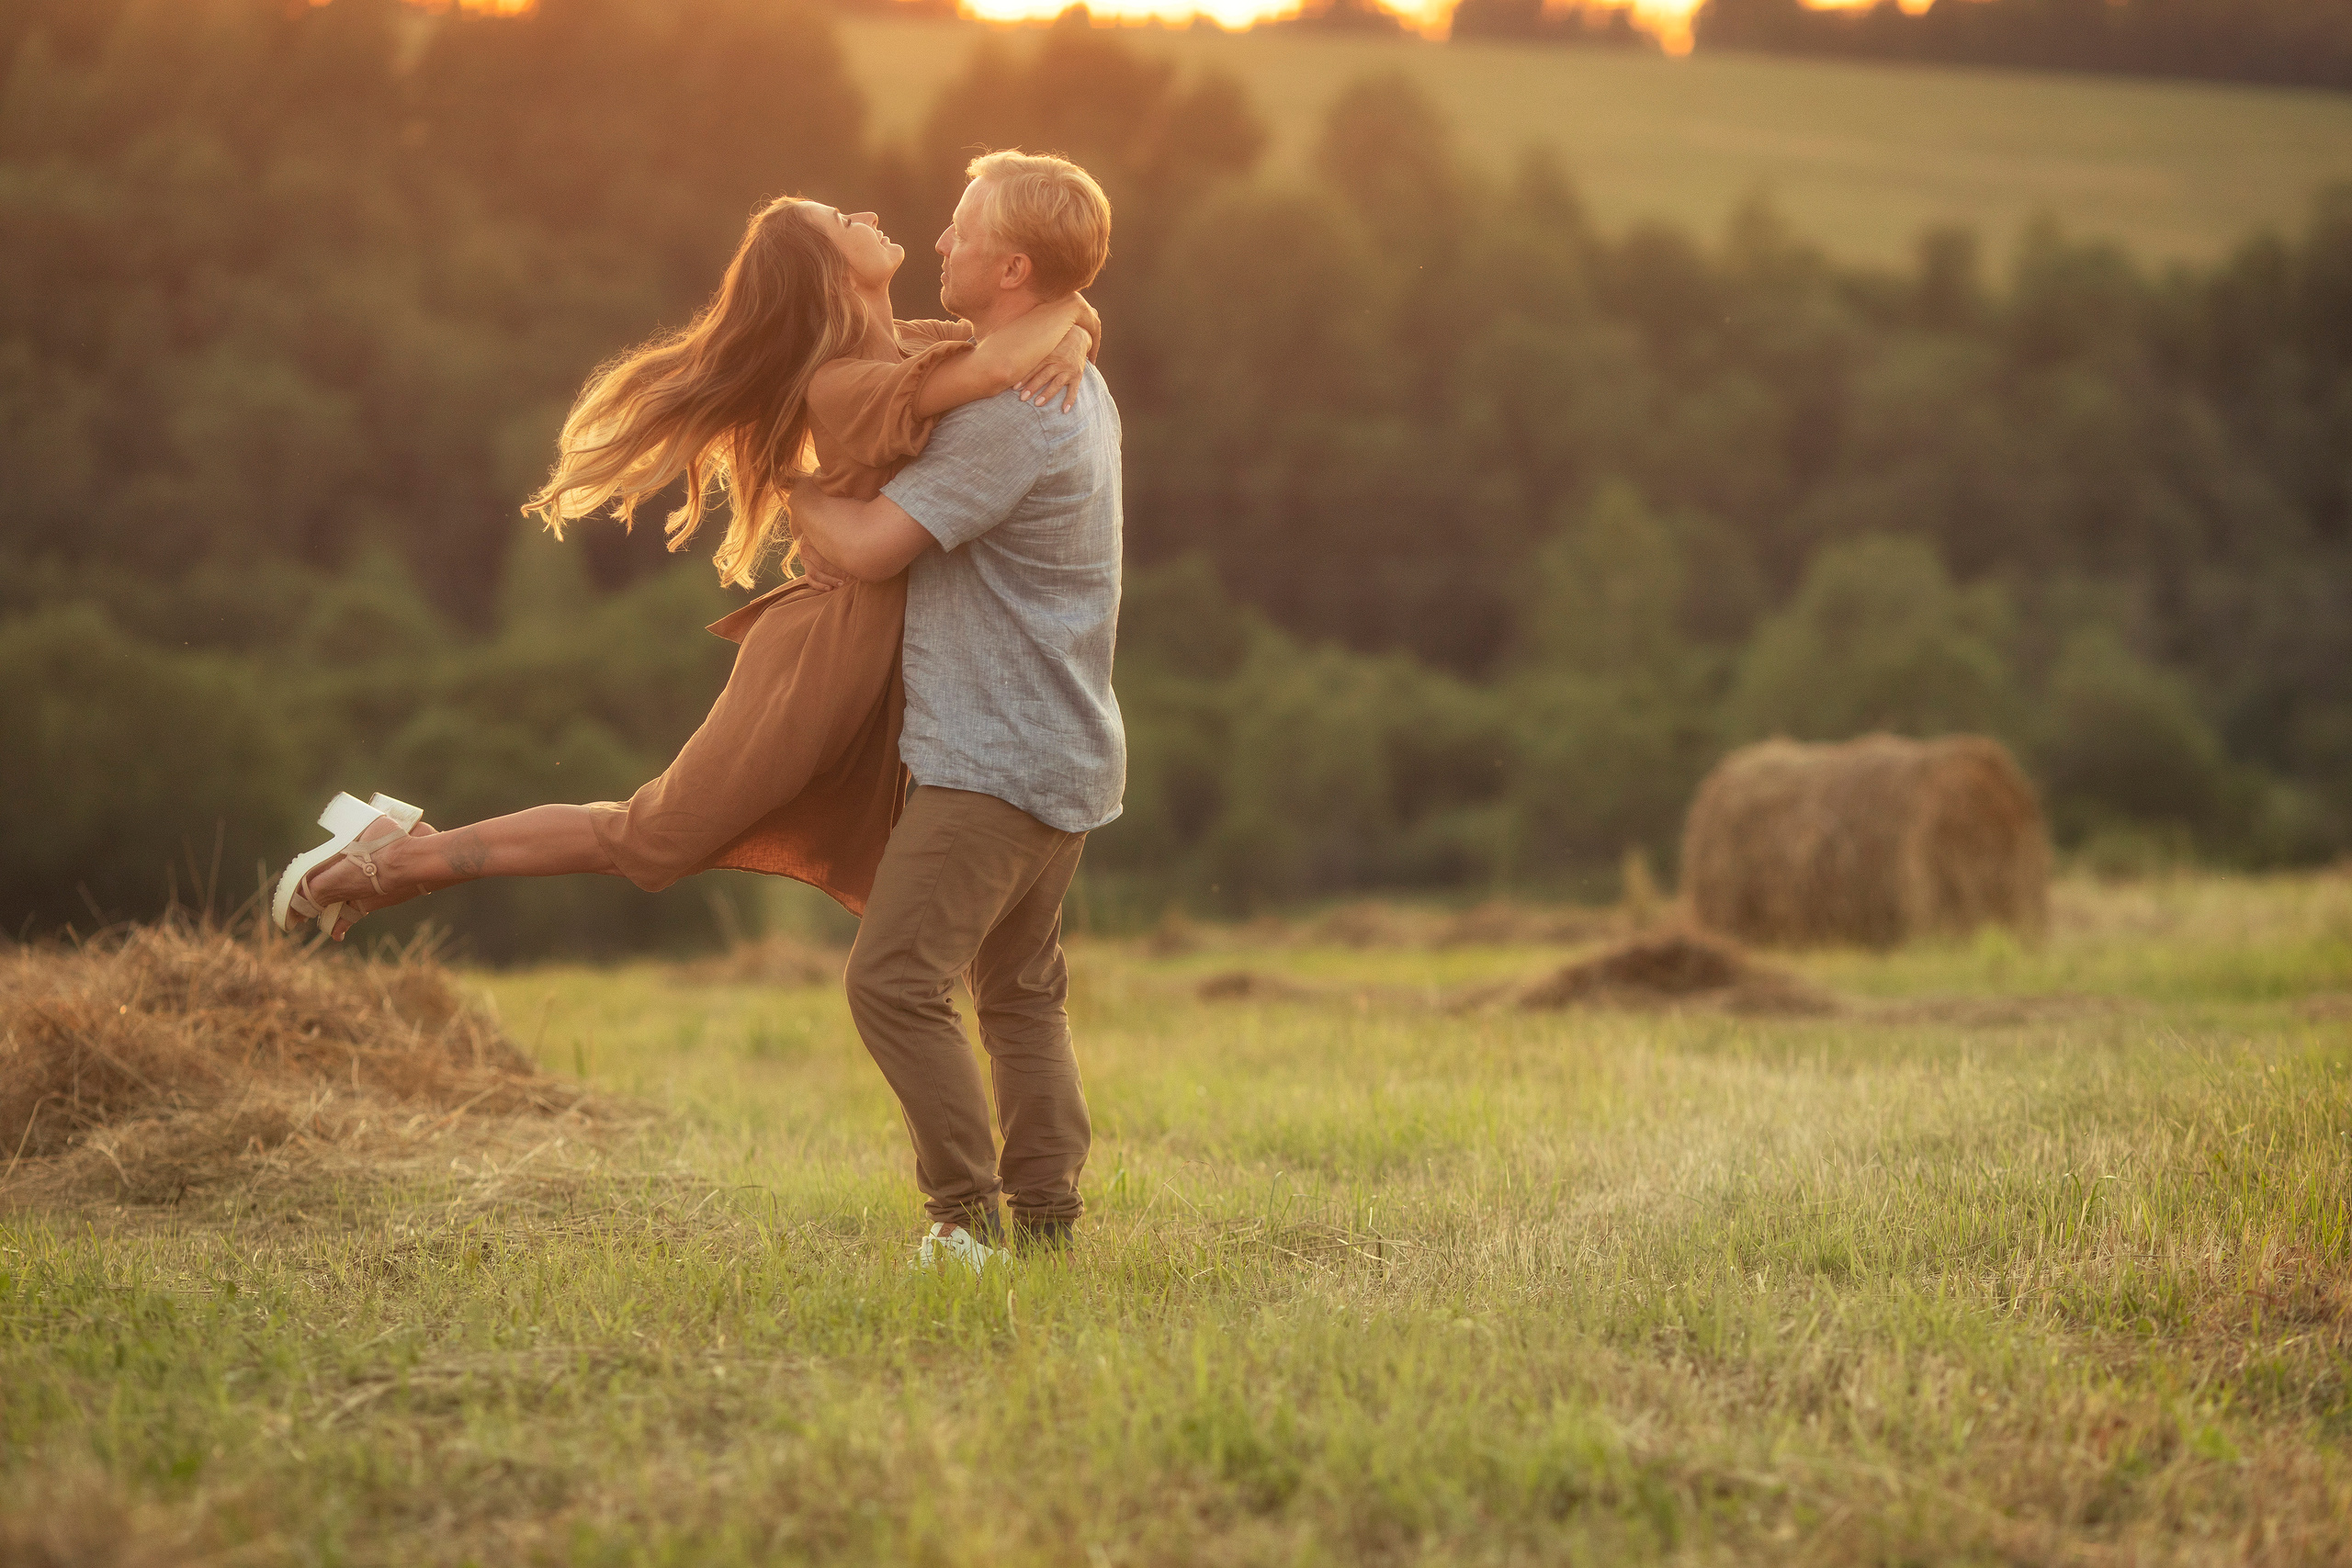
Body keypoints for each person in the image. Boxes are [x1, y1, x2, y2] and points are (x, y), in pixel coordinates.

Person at [269, 191, 1099, 940]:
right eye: (844, 223)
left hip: (865, 646)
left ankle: (403, 859)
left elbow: (1027, 327)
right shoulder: (847, 382)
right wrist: (1066, 329)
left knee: (676, 839)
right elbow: (1001, 358)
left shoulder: (909, 346)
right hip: (823, 659)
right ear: (826, 274)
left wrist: (1077, 328)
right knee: (650, 837)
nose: (872, 216)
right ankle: (396, 861)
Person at [790, 152, 1125, 1271]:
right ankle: (1043, 1230)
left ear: (1012, 267)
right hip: (1063, 751)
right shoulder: (1052, 372)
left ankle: (966, 1220)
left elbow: (871, 544)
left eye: (960, 230)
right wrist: (1075, 320)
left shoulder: (1011, 419)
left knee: (892, 981)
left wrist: (780, 476)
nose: (940, 243)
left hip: (993, 763)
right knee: (1021, 999)